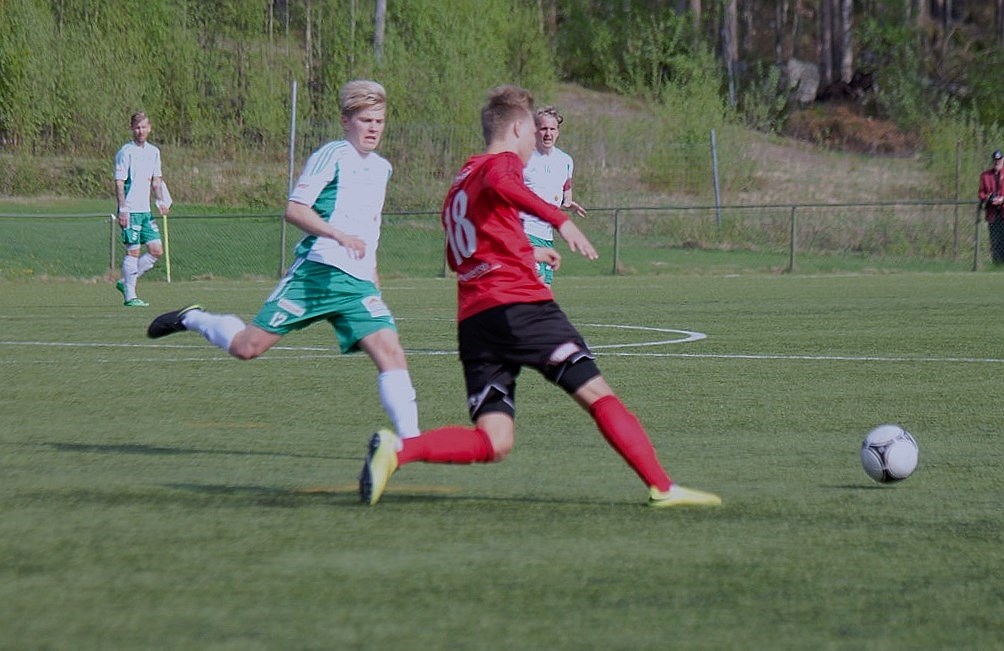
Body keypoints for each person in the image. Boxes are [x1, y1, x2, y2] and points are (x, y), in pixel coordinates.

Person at [359, 85, 721, 508]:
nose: (535, 141)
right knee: (597, 393)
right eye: (533, 132)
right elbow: (506, 183)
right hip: (521, 308)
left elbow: (462, 255)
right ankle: (662, 487)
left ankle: (398, 450)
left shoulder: (462, 179)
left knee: (495, 441)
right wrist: (559, 221)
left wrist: (525, 251)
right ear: (517, 128)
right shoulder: (502, 164)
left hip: (476, 321)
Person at [145, 80, 420, 441]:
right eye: (365, 120)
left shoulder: (382, 168)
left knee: (391, 353)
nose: (373, 129)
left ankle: (411, 443)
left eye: (379, 121)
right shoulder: (333, 155)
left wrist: (373, 276)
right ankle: (193, 318)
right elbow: (295, 209)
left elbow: (371, 228)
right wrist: (337, 234)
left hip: (357, 285)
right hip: (316, 275)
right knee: (247, 348)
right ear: (345, 121)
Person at [520, 105, 586, 286]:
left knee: (544, 290)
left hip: (546, 235)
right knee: (537, 285)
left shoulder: (565, 161)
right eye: (543, 129)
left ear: (558, 132)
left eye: (552, 129)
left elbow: (565, 191)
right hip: (524, 231)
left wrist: (568, 203)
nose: (548, 133)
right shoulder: (523, 158)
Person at [114, 111, 169, 307]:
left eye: (144, 127)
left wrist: (161, 201)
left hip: (146, 211)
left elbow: (156, 180)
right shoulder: (126, 152)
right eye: (137, 127)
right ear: (132, 129)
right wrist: (122, 209)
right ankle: (130, 296)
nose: (140, 131)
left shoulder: (154, 152)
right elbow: (119, 182)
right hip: (130, 210)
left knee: (156, 250)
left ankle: (125, 282)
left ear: (149, 128)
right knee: (133, 252)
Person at [978, 149, 1004, 266]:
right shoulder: (985, 176)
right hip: (993, 214)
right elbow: (981, 193)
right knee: (995, 241)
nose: (997, 162)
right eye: (995, 160)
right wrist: (988, 198)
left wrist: (1002, 199)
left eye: (999, 159)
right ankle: (997, 265)